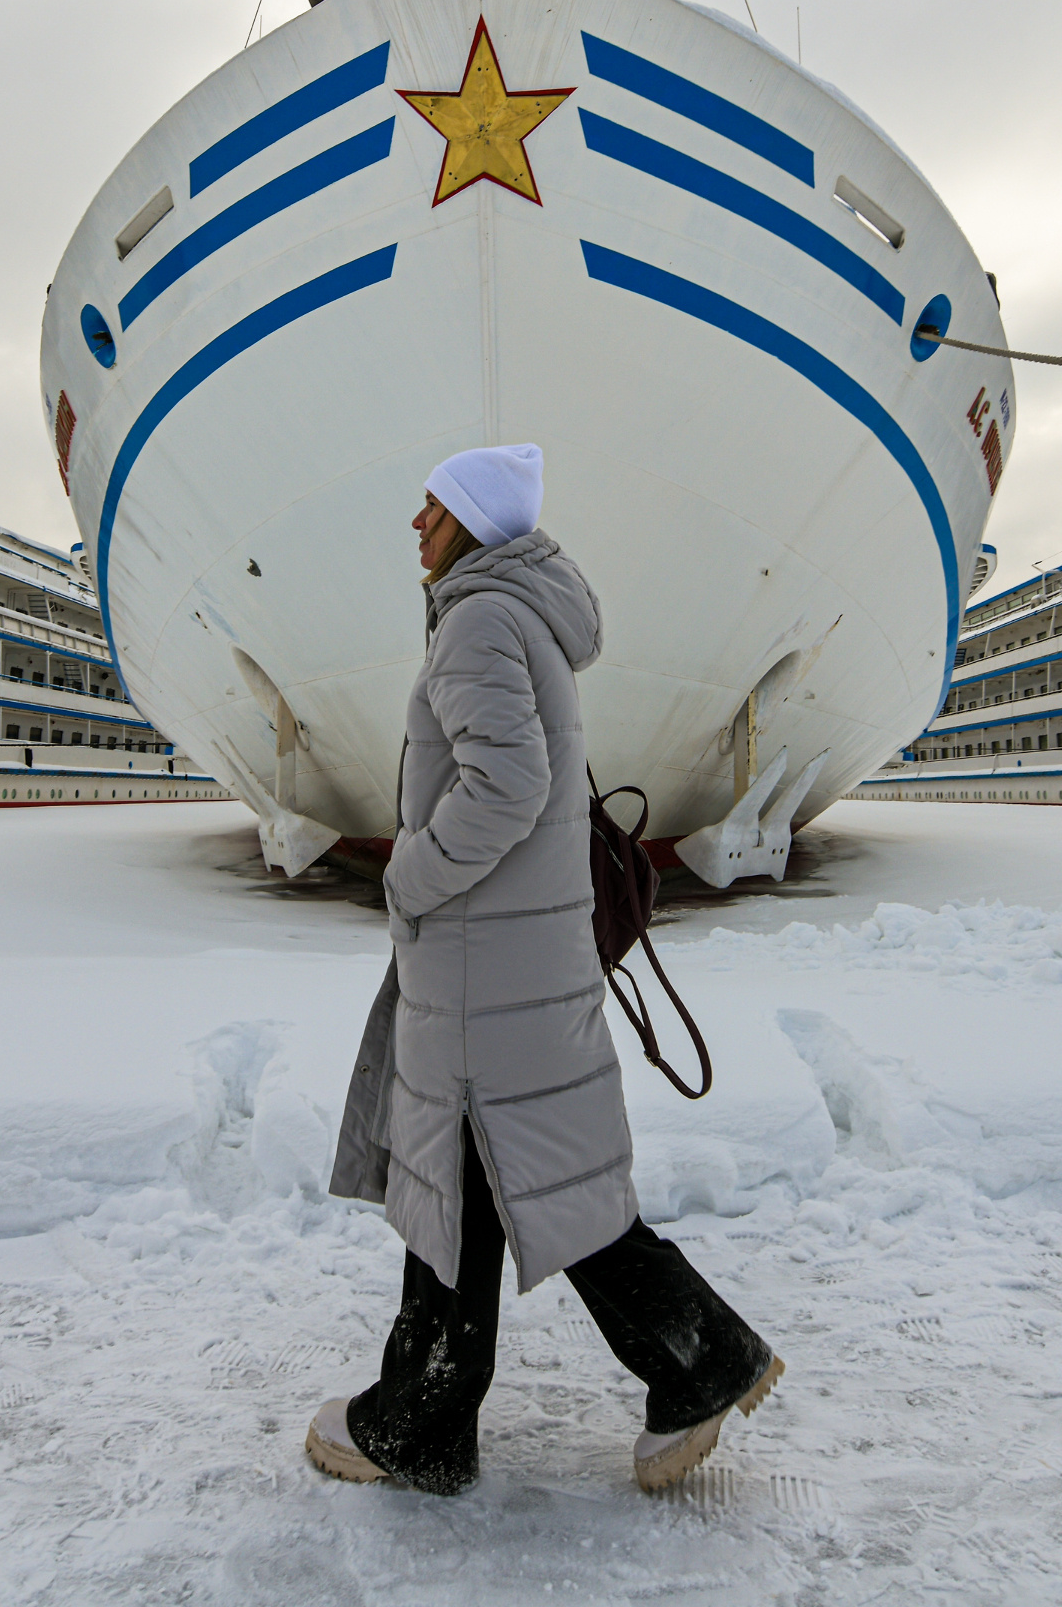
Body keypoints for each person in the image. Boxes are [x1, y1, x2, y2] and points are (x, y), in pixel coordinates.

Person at [306, 441, 781, 1496]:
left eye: (429, 507)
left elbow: (508, 784)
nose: (414, 523)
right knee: (497, 1177)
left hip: (483, 968)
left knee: (482, 1172)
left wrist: (412, 875)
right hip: (517, 959)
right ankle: (465, 1403)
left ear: (470, 521)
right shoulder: (521, 615)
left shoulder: (477, 618)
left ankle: (429, 1417)